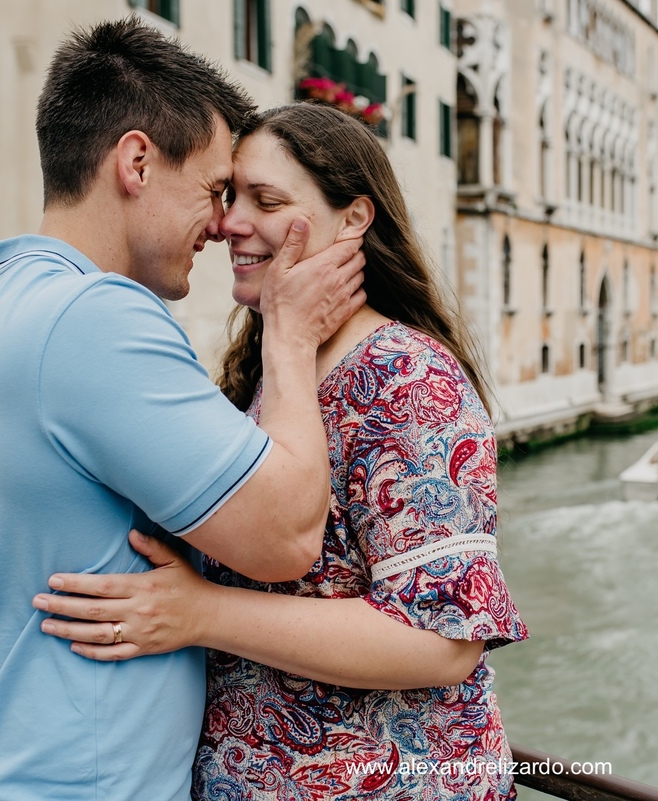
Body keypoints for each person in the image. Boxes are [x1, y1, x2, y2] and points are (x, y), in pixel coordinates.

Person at [0, 20, 365, 801]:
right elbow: (285, 536)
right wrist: (288, 338)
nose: (222, 223)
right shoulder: (95, 317)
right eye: (214, 190)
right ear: (137, 162)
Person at [33, 103, 528, 799]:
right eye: (230, 196)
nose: (229, 223)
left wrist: (199, 613)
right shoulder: (270, 370)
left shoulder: (409, 379)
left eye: (265, 201)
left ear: (354, 219)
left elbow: (442, 641)